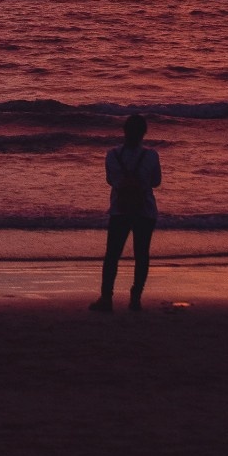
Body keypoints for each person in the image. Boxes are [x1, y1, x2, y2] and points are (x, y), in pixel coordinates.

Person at [90, 113, 161, 313]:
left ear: (124, 131)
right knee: (141, 255)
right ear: (144, 133)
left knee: (112, 254)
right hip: (145, 210)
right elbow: (156, 182)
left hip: (120, 209)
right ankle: (135, 299)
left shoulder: (112, 155)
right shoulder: (151, 156)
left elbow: (110, 181)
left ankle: (106, 298)